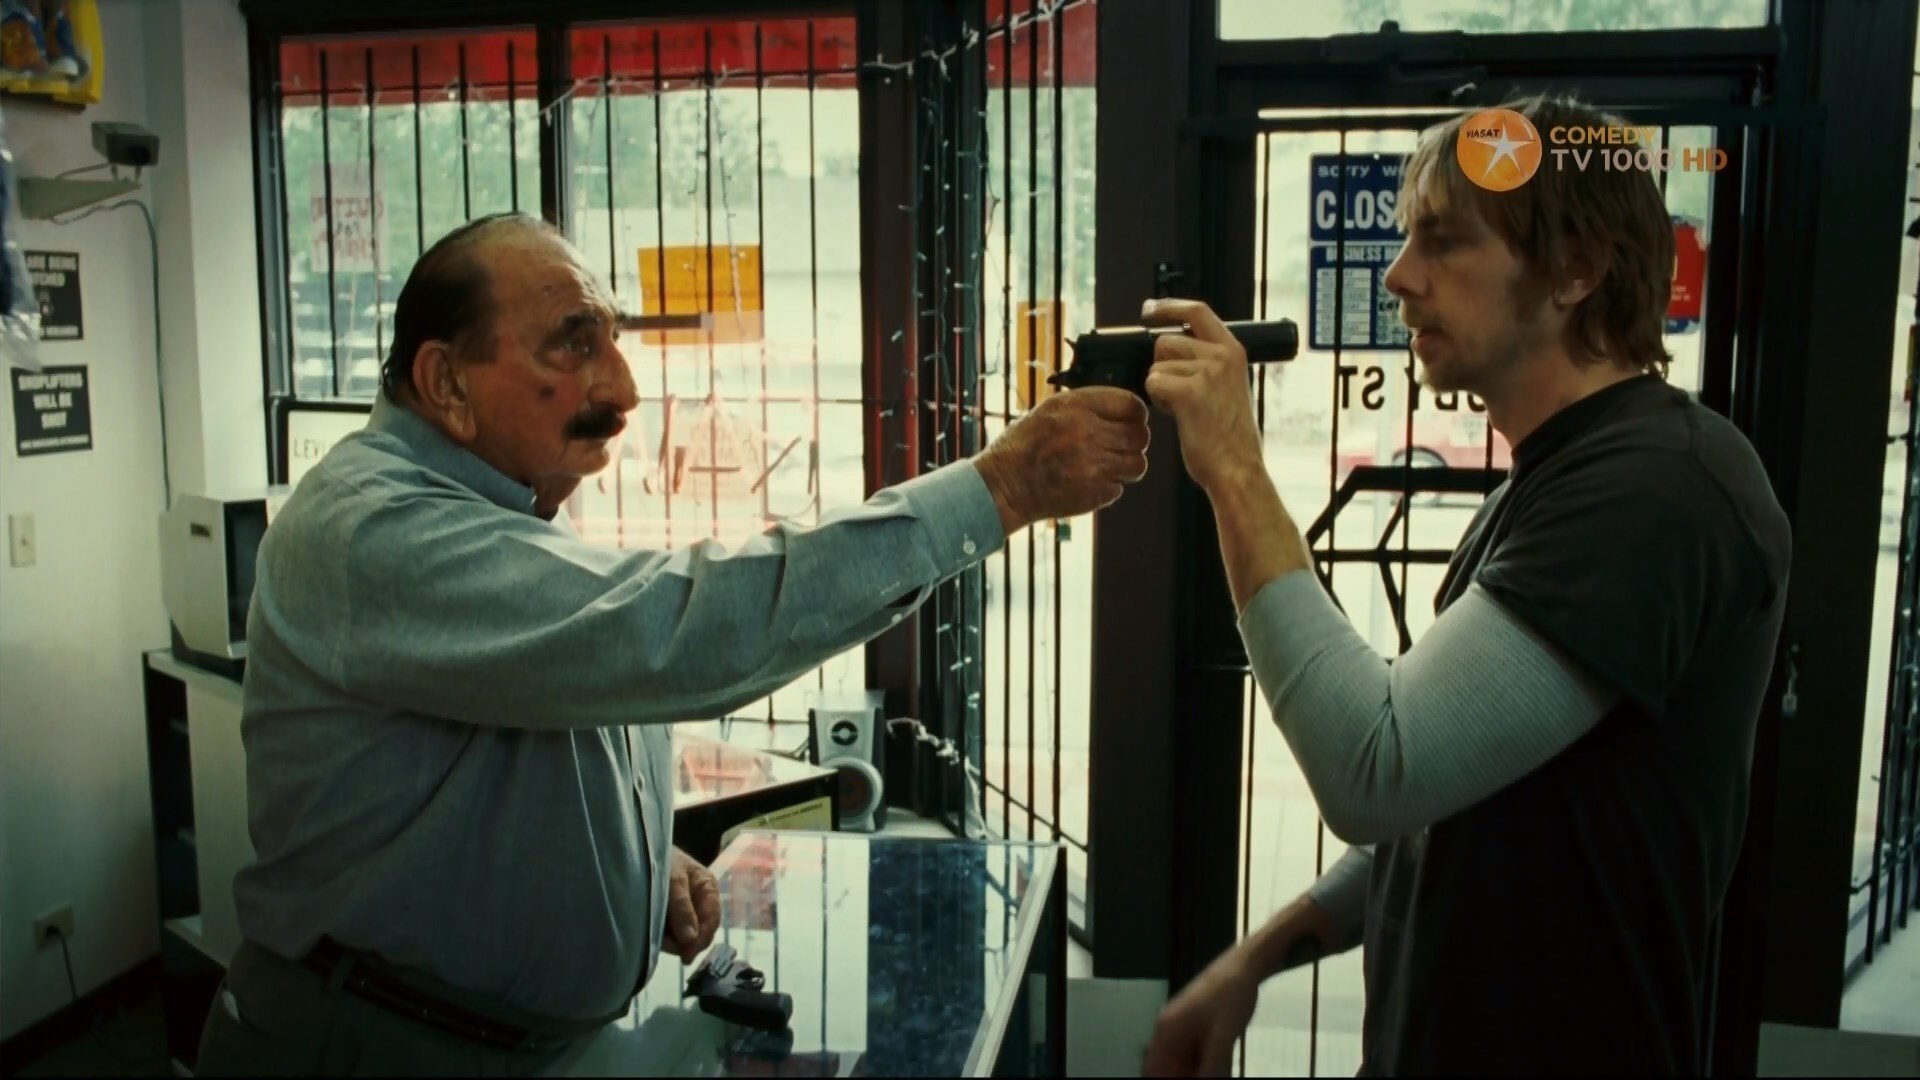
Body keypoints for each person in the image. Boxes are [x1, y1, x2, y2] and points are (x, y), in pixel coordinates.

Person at [195, 211, 1151, 1076]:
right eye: (574, 345)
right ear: (446, 381)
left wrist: (639, 872)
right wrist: (998, 490)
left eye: (612, 340)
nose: (620, 387)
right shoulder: (372, 532)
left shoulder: (508, 499)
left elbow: (544, 734)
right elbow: (671, 634)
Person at [1140, 95, 1791, 1076]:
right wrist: (1256, 957)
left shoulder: (1660, 489)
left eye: (1442, 242)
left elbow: (1377, 767)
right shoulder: (1554, 480)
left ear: (1575, 269)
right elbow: (1450, 804)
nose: (1399, 275)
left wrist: (1233, 465)